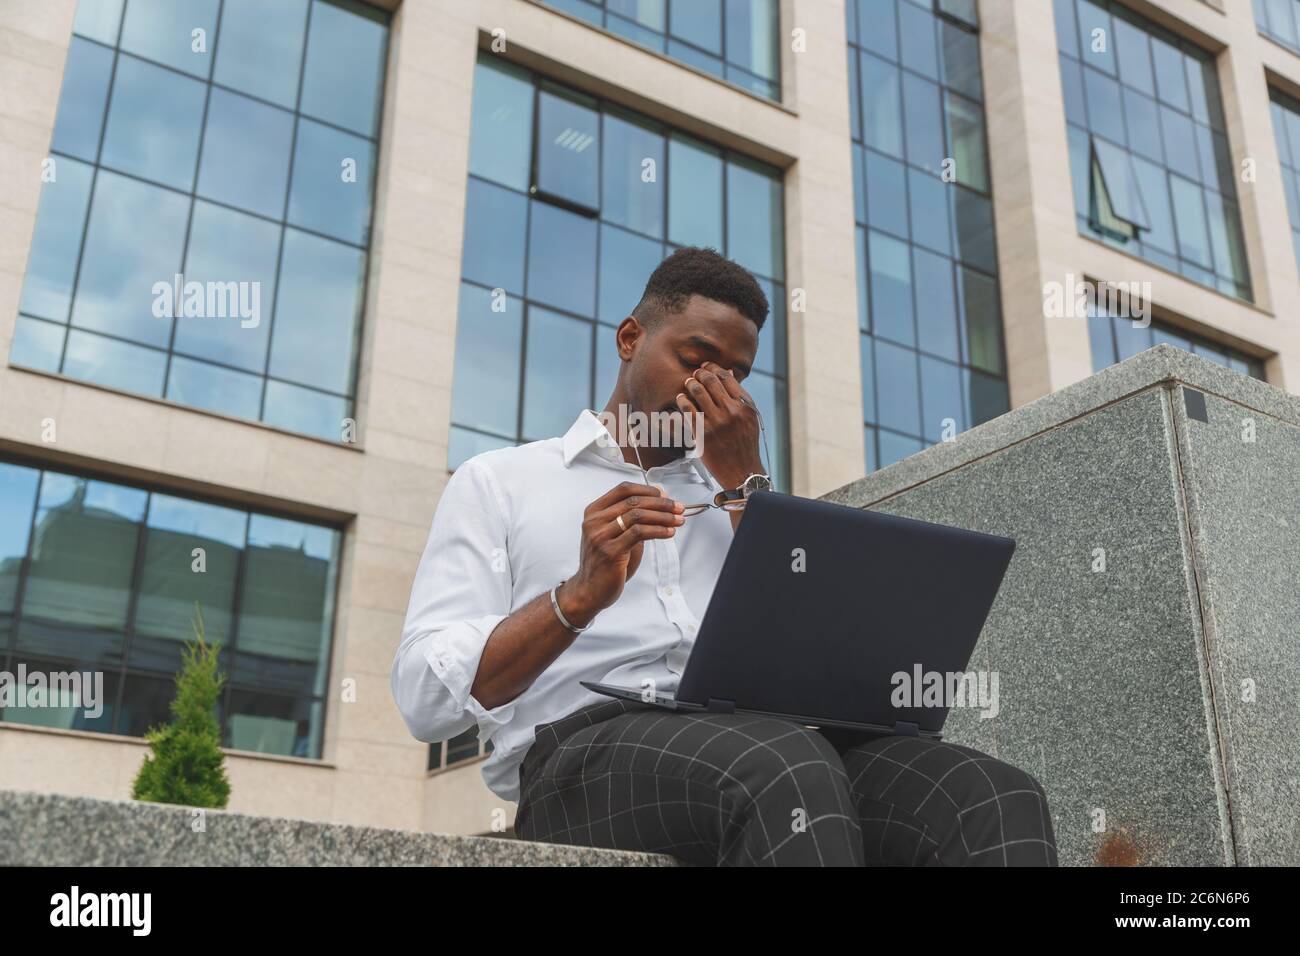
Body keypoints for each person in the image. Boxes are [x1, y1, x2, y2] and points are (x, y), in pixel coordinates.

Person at [391, 247, 1057, 866]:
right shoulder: (501, 482)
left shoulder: (740, 499)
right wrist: (577, 598)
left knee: (990, 794)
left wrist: (748, 487)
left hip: (767, 743)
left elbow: (820, 657)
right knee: (785, 766)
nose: (715, 386)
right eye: (695, 357)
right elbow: (426, 698)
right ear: (631, 340)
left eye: (735, 374)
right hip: (579, 759)